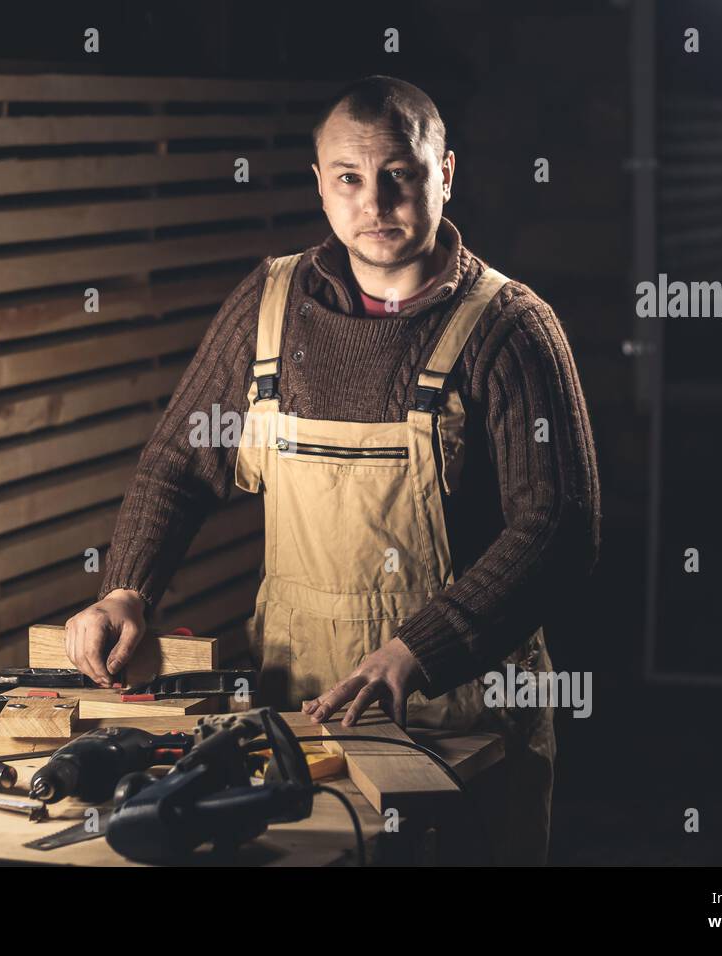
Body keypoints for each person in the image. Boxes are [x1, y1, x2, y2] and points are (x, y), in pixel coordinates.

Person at [64, 74, 601, 864]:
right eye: (349, 178)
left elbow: (560, 529)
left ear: (444, 174)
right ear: (319, 185)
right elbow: (178, 461)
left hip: (462, 717)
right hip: (298, 719)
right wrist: (126, 588)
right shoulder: (270, 304)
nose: (375, 203)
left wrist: (418, 651)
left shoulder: (510, 328)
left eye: (401, 176)